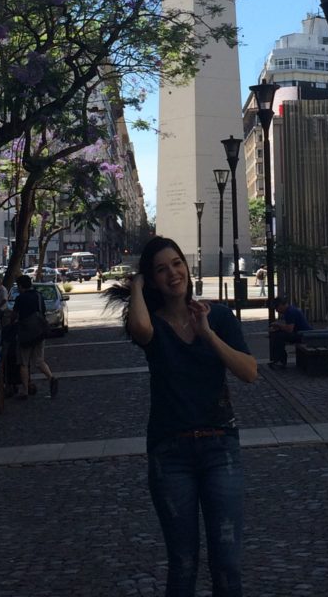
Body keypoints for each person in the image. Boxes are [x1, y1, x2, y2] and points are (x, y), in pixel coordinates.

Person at [106, 236, 257, 597]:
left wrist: (208, 335)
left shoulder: (217, 316)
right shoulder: (151, 324)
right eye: (161, 269)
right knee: (183, 563)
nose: (173, 272)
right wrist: (137, 285)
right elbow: (141, 331)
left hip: (220, 448)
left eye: (177, 263)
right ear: (152, 279)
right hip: (169, 454)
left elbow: (249, 371)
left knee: (228, 564)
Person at [11, 275, 58, 399]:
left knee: (24, 363)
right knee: (39, 360)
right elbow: (42, 312)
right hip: (39, 332)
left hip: (25, 334)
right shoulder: (38, 296)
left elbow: (14, 315)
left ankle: (25, 391)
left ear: (21, 286)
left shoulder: (20, 298)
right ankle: (51, 377)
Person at [268, 296, 311, 368]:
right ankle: (278, 360)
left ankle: (280, 361)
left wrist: (278, 325)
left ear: (282, 305)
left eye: (277, 307)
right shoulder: (289, 310)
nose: (276, 310)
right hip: (300, 333)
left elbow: (289, 329)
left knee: (278, 337)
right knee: (276, 335)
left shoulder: (290, 312)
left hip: (303, 335)